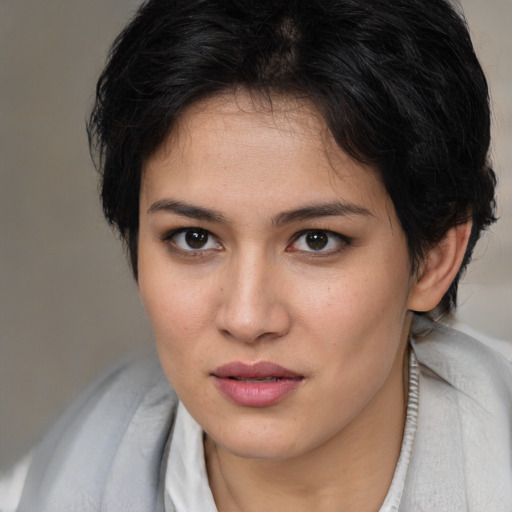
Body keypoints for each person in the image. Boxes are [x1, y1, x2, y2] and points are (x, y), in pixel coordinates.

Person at [1, 0, 511, 510]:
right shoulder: (53, 484)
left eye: (317, 240)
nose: (246, 319)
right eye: (194, 238)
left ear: (434, 258)